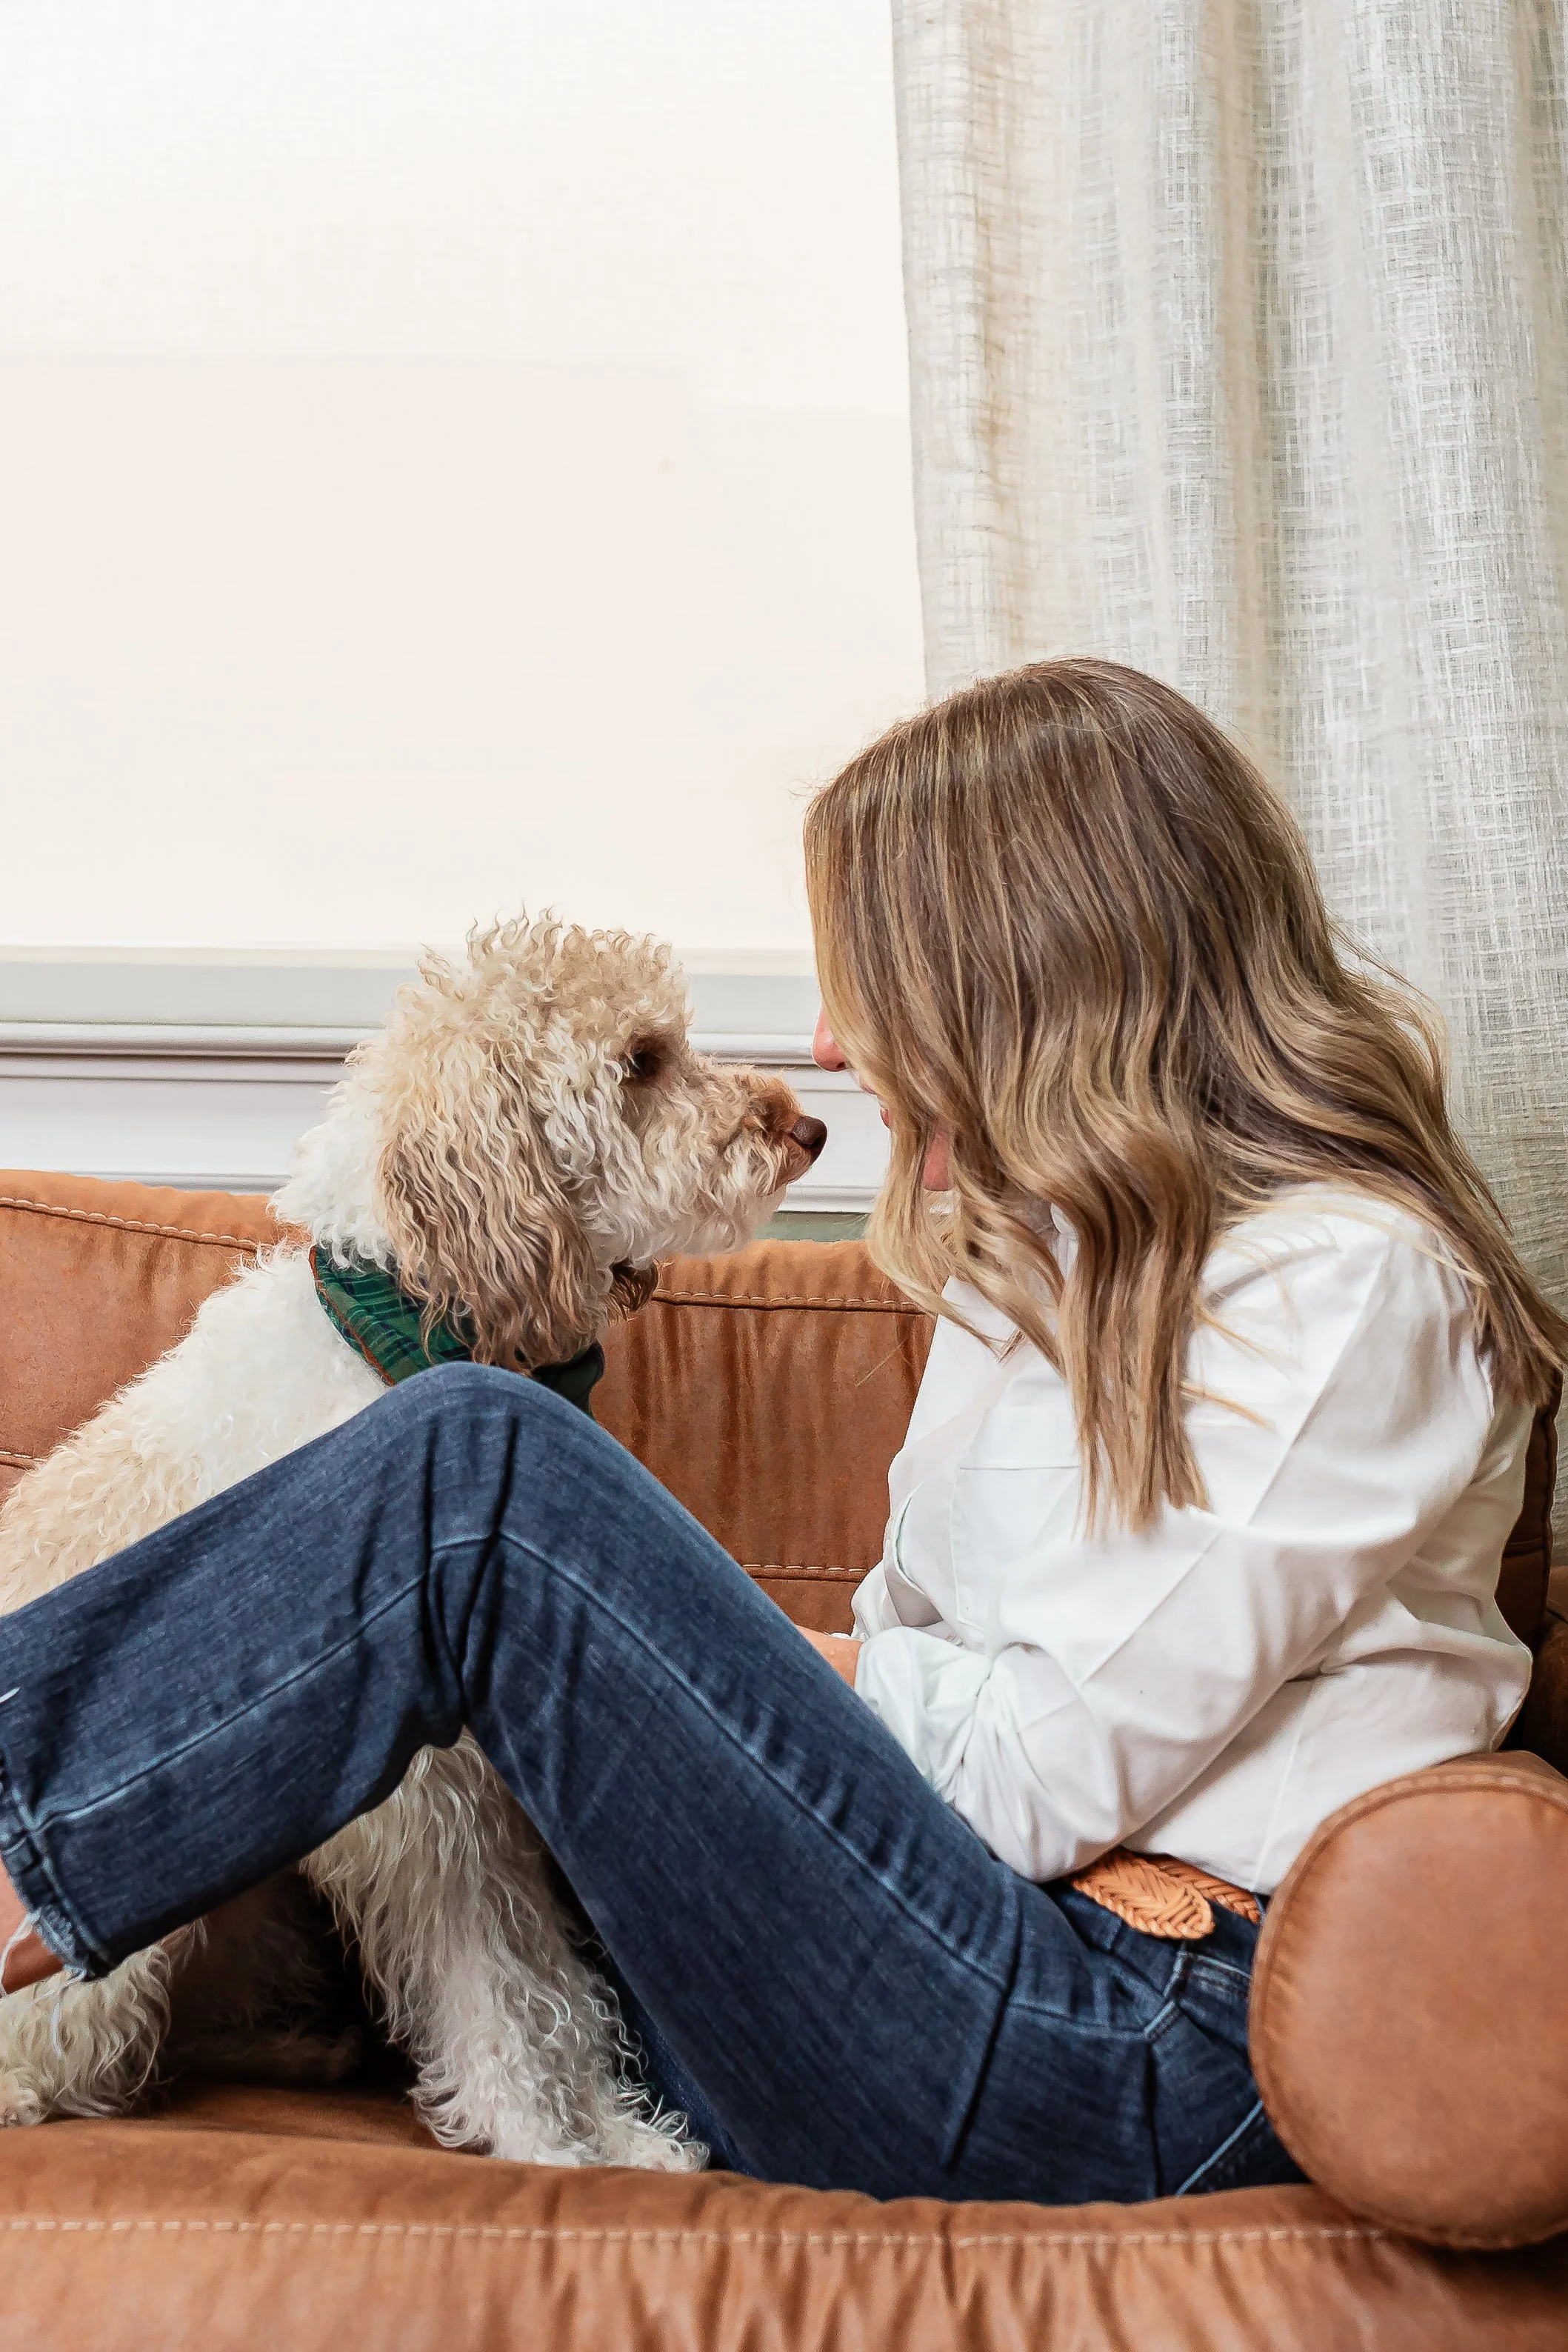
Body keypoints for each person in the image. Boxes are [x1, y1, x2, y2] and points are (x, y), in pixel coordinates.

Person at [1, 659, 1561, 2206]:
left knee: (472, 1460)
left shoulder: (1356, 1286)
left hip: (1120, 2038)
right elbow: (909, 1655)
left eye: (866, 979)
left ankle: (20, 1849)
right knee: (467, 1513)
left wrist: (728, 1660)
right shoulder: (1033, 1266)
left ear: (1024, 971)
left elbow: (1033, 1774)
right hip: (912, 1970)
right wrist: (741, 1673)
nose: (826, 1043)